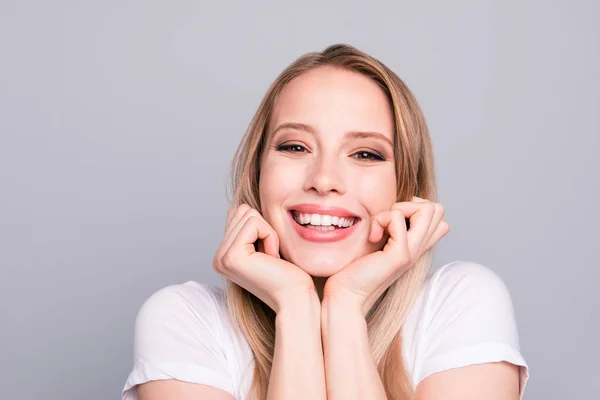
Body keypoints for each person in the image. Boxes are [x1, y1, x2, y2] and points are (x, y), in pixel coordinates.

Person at [121, 44, 529, 400]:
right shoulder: (184, 320)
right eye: (295, 146)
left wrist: (345, 304)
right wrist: (296, 306)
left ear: (406, 188)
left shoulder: (460, 304)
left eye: (366, 154)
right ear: (257, 174)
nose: (324, 180)